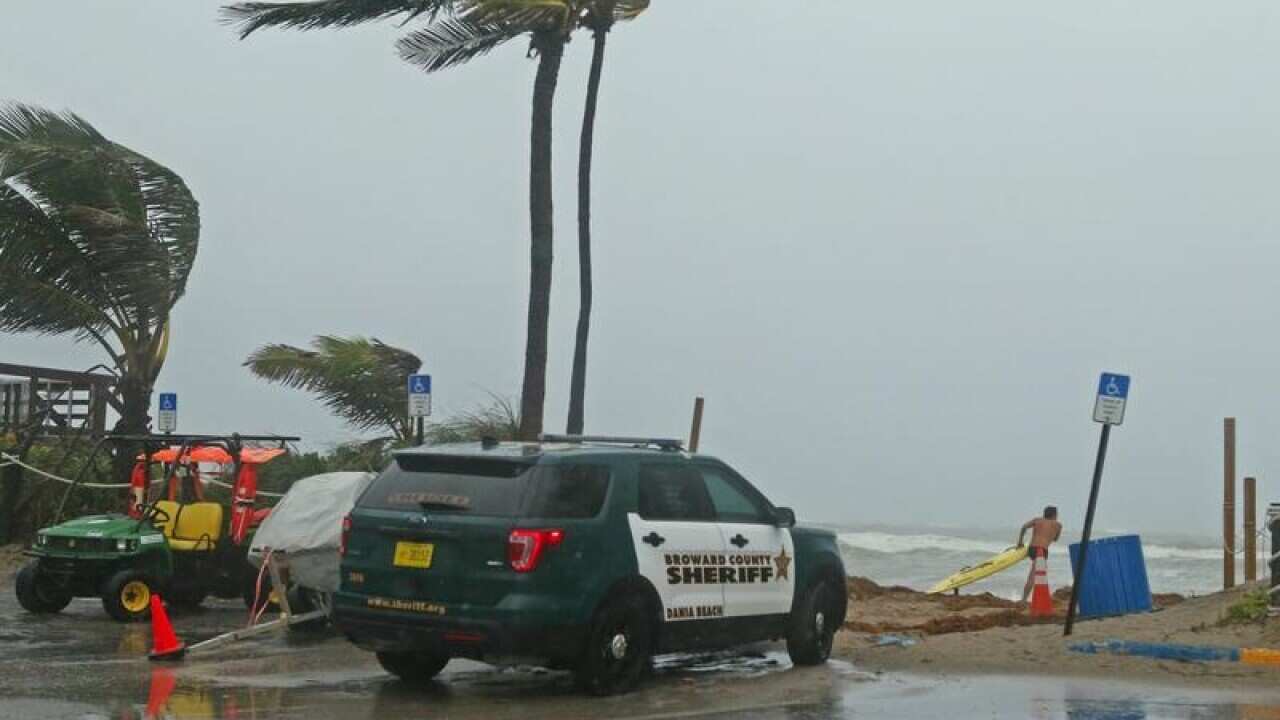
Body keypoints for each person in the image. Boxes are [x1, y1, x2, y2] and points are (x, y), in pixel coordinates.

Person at [1017, 506, 1062, 603]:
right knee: (1034, 576)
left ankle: (1037, 598)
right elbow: (1056, 539)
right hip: (1041, 551)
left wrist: (1020, 542)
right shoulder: (1058, 525)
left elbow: (1024, 527)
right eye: (1057, 514)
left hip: (1031, 549)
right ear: (1054, 515)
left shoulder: (1037, 520)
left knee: (1040, 573)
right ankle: (1024, 600)